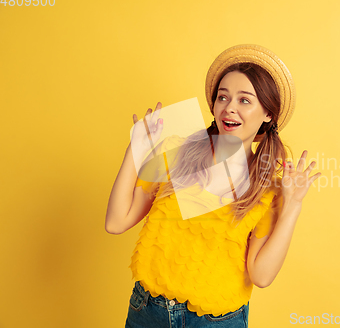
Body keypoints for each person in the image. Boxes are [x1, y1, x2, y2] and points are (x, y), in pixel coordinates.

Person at [105, 44, 322, 328]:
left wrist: (292, 205)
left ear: (268, 113)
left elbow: (261, 275)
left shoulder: (269, 190)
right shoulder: (174, 153)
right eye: (223, 97)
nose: (229, 107)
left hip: (217, 322)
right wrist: (135, 150)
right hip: (148, 312)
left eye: (245, 100)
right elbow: (116, 221)